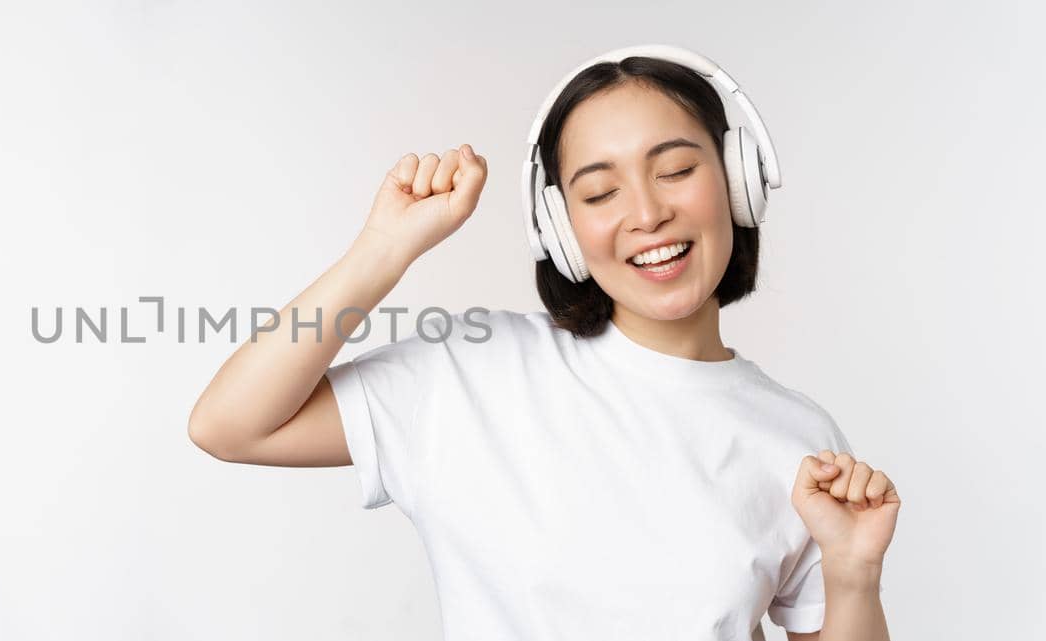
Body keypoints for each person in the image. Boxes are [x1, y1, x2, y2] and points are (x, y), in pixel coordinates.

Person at [188, 47, 900, 641]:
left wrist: (852, 574)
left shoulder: (798, 439)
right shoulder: (471, 373)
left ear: (737, 181)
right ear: (561, 229)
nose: (648, 213)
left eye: (677, 170)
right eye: (599, 193)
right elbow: (229, 423)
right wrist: (382, 250)